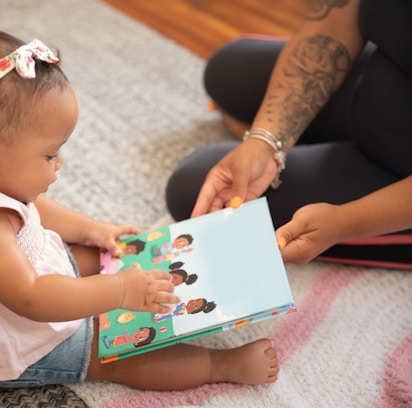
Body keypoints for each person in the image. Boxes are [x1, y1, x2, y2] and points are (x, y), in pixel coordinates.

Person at [0, 28, 280, 391]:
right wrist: (119, 290)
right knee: (118, 352)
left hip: (18, 281)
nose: (60, 163)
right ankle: (220, 365)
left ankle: (115, 276)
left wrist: (92, 229)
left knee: (107, 253)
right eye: (49, 154)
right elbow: (32, 298)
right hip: (6, 336)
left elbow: (33, 207)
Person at [166, 0, 412, 270]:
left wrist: (345, 221)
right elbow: (335, 19)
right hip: (382, 78)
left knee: (192, 190)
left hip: (399, 177)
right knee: (227, 72)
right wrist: (266, 140)